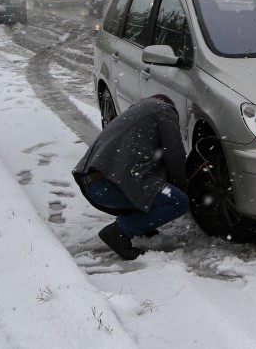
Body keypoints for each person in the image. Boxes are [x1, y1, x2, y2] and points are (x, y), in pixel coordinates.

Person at [73, 94, 189, 260]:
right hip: (108, 184)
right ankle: (119, 232)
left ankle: (143, 227)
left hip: (92, 183)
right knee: (178, 201)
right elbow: (175, 155)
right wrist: (180, 185)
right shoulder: (164, 110)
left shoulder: (135, 114)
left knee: (151, 187)